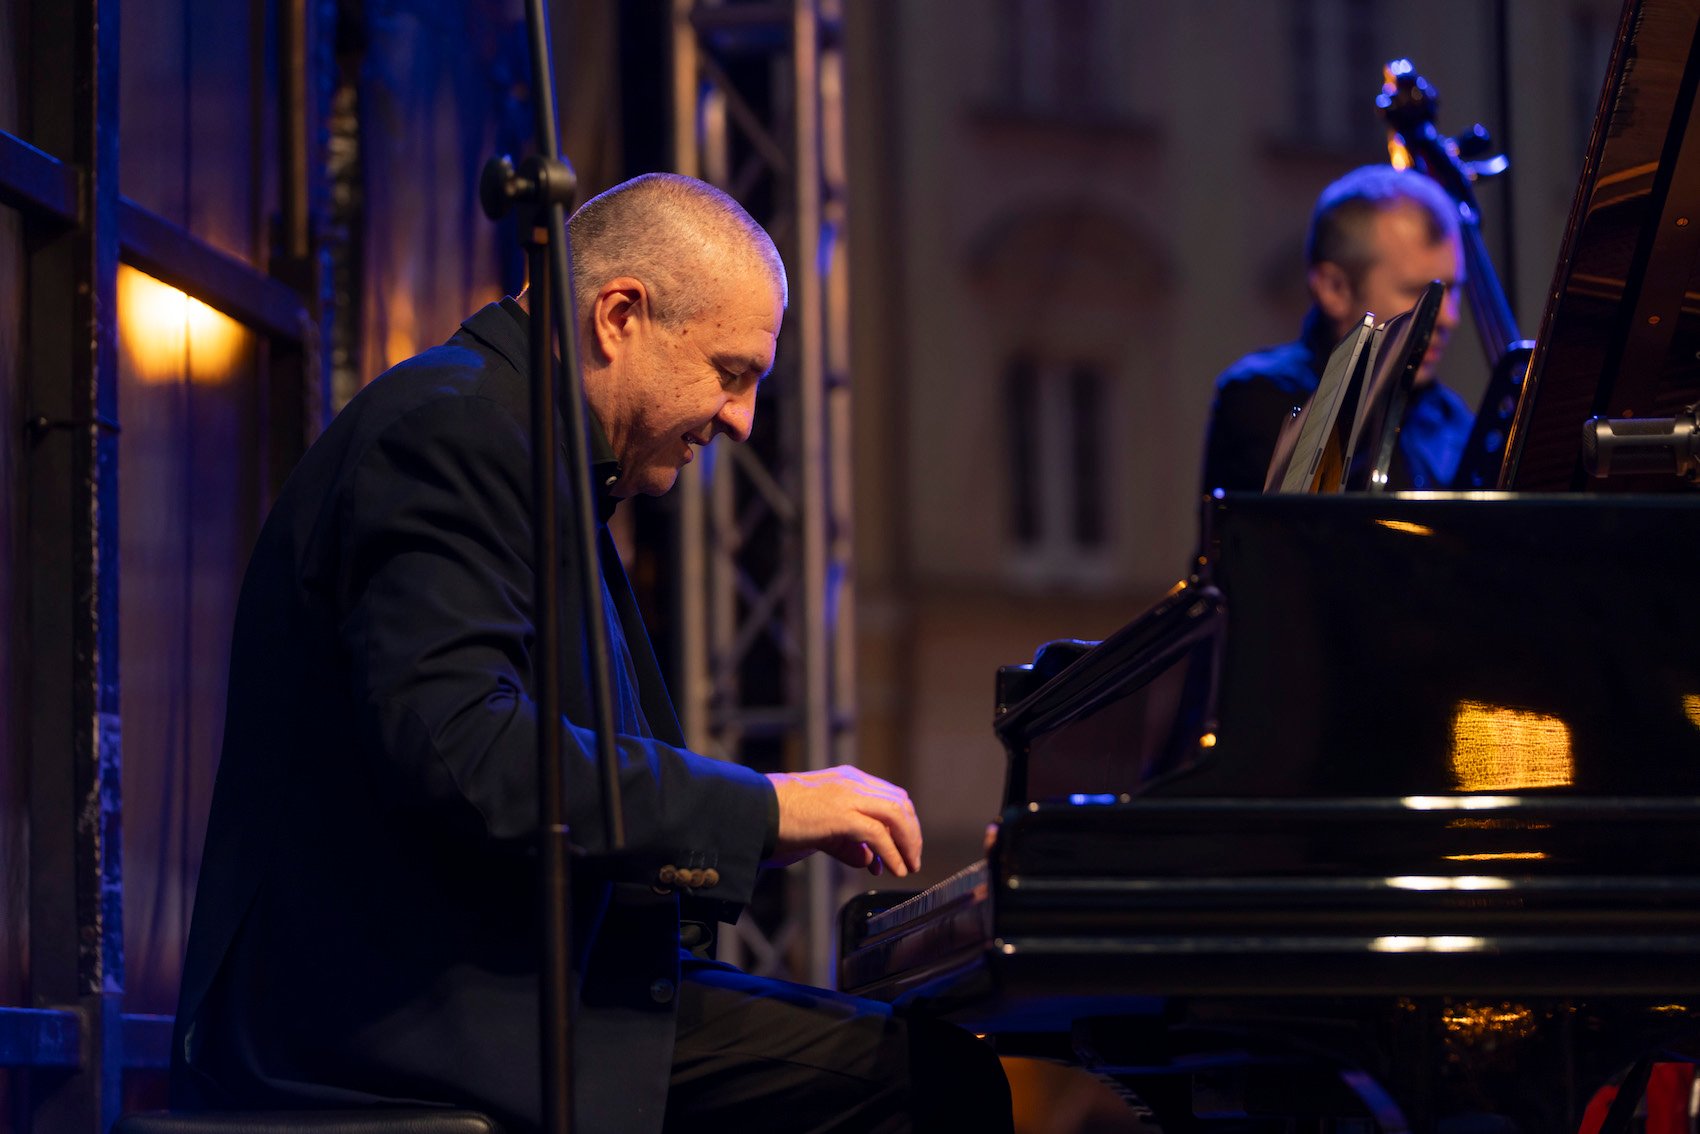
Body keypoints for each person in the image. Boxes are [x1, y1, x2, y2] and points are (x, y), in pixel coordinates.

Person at [170, 173, 1012, 1134]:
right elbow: (467, 757)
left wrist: (751, 829)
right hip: (401, 1029)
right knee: (932, 1088)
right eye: (731, 372)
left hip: (501, 997)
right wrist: (765, 808)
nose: (741, 419)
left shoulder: (526, 448)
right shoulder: (455, 431)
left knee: (911, 1065)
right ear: (619, 316)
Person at [1200, 164, 1474, 494]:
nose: (1448, 318)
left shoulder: (1454, 422)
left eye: (1453, 290)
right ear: (1334, 289)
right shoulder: (1261, 400)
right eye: (1420, 293)